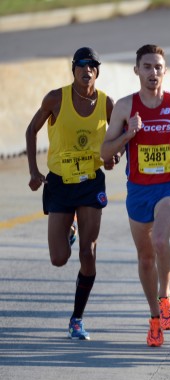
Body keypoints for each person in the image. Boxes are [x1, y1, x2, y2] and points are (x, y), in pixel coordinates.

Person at [101, 44, 170, 347]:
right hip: (139, 190)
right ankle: (155, 318)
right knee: (145, 258)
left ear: (165, 71)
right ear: (137, 71)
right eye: (147, 67)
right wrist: (128, 135)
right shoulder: (124, 107)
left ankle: (166, 295)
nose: (153, 72)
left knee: (159, 240)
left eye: (158, 67)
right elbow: (105, 152)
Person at [25, 47, 115, 341]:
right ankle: (71, 227)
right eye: (82, 65)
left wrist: (115, 156)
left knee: (88, 253)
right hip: (60, 183)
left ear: (97, 71)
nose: (87, 69)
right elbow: (31, 130)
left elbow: (118, 139)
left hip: (90, 182)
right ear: (73, 69)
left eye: (92, 65)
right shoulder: (56, 98)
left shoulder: (107, 103)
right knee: (59, 258)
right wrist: (34, 172)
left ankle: (77, 318)